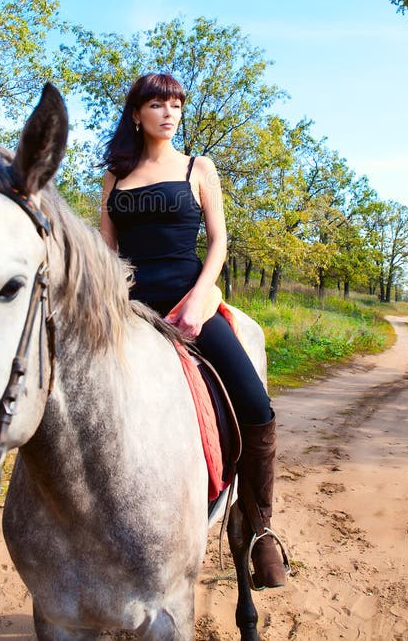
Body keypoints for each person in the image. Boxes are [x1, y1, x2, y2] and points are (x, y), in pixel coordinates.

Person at [100, 72, 287, 590]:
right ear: (136, 114)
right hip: (130, 309)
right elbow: (108, 254)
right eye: (157, 104)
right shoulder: (115, 176)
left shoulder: (198, 167)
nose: (169, 112)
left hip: (190, 303)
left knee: (255, 404)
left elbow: (220, 242)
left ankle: (260, 529)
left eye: (176, 103)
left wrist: (203, 298)